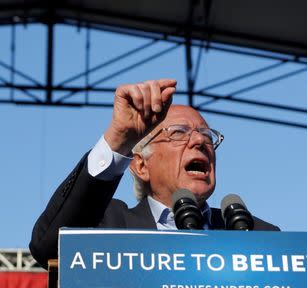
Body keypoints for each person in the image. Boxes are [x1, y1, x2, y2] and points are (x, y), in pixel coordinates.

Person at [30, 79, 279, 268]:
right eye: (179, 132)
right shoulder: (110, 225)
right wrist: (118, 139)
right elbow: (49, 248)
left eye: (206, 134)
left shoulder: (259, 235)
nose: (199, 141)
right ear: (141, 166)